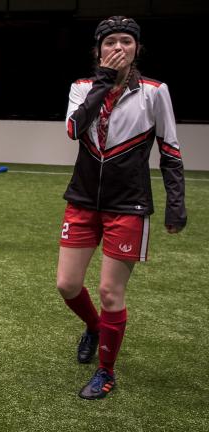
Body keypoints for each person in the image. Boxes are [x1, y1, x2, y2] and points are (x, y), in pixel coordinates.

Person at [57, 16, 186, 400]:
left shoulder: (155, 91)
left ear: (137, 49)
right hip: (81, 200)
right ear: (98, 50)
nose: (118, 48)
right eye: (110, 41)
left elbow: (171, 151)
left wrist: (175, 205)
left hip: (128, 206)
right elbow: (74, 129)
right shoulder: (81, 88)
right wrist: (101, 81)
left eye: (126, 42)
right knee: (67, 285)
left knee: (111, 292)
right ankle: (94, 327)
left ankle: (106, 371)